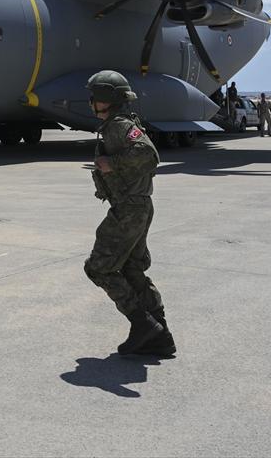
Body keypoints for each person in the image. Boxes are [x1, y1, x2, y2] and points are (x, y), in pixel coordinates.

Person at [85, 70, 173, 357]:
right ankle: (160, 335)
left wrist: (112, 162)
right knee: (132, 269)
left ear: (105, 100)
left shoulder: (119, 126)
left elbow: (149, 155)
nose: (90, 102)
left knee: (99, 267)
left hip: (129, 209)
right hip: (137, 206)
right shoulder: (118, 125)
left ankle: (142, 324)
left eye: (93, 97)